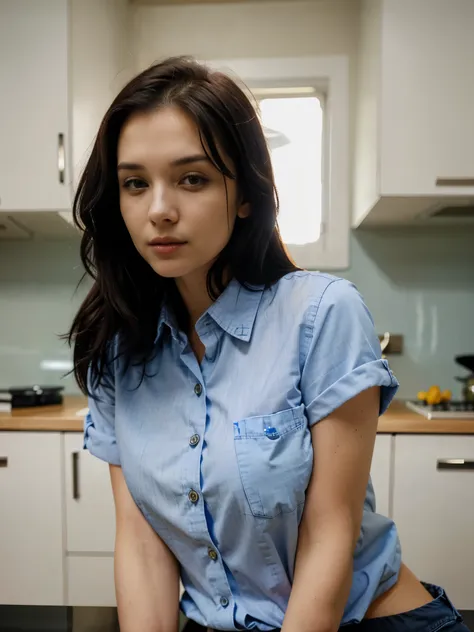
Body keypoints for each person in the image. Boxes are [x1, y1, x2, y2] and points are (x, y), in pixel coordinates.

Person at [68, 56, 470, 632]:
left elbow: (329, 537)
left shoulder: (321, 313)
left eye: (192, 178)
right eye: (136, 183)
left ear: (246, 196)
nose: (159, 209)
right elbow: (141, 546)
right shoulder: (118, 349)